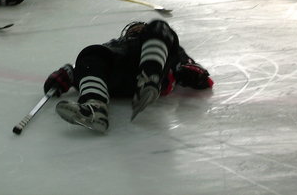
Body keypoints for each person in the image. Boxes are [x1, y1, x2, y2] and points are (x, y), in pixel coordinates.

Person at [42, 19, 213, 133]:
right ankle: (94, 107)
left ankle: (149, 76)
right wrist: (68, 73)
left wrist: (192, 74)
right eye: (134, 29)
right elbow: (91, 66)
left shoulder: (164, 45)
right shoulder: (114, 45)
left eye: (141, 28)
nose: (137, 29)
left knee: (159, 26)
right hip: (120, 76)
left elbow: (198, 75)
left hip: (154, 72)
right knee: (91, 53)